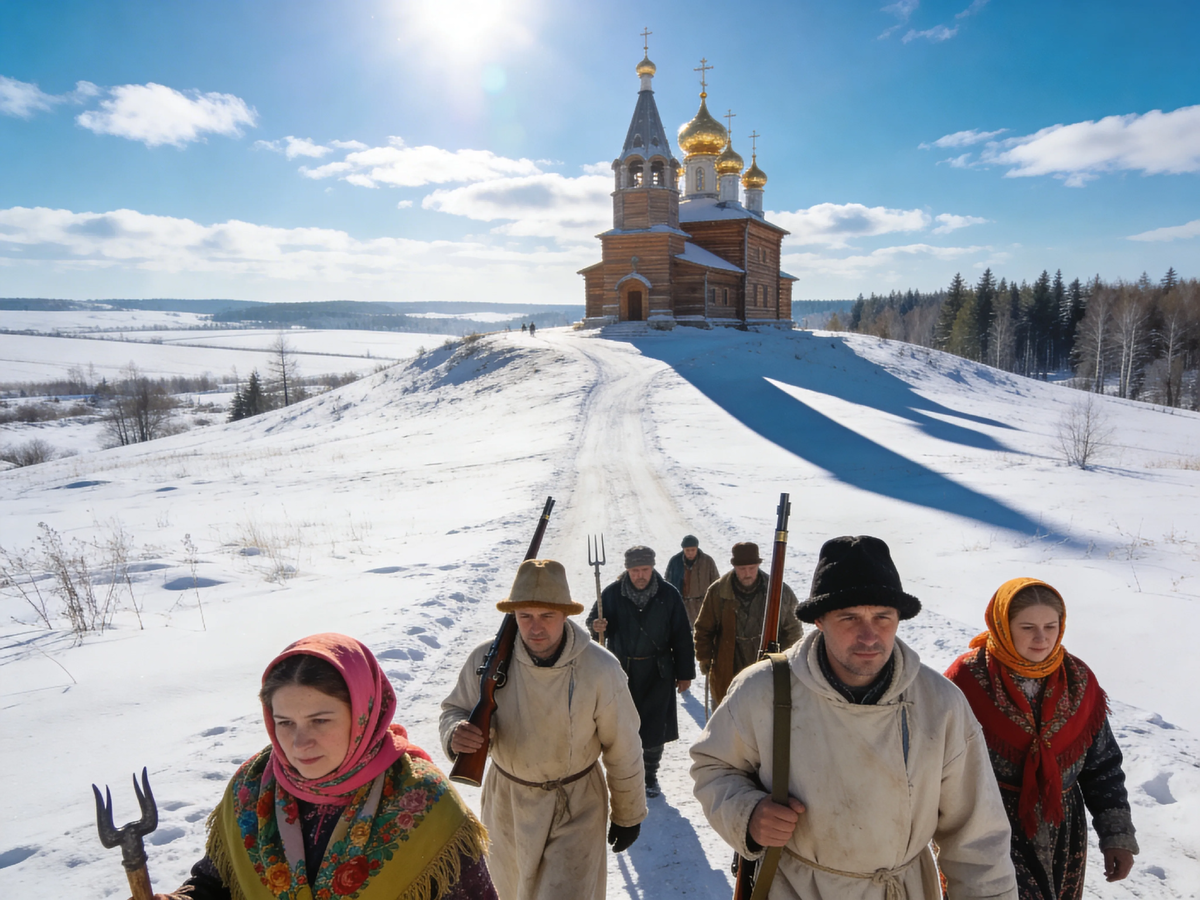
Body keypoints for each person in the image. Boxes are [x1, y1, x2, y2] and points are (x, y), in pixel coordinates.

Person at [691, 535, 1019, 900]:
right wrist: (748, 815)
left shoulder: (939, 703)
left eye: (883, 617)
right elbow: (713, 767)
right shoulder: (762, 690)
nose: (869, 635)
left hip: (903, 891)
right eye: (849, 617)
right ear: (820, 619)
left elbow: (978, 839)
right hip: (797, 889)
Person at [139, 633, 495, 900]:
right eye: (285, 722)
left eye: (320, 720)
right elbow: (217, 884)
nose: (299, 743)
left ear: (363, 715)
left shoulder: (422, 802)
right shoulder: (252, 789)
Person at [441, 559, 646, 900]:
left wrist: (629, 814)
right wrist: (455, 733)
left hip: (576, 805)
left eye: (546, 616)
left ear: (565, 614)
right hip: (507, 805)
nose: (535, 627)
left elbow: (623, 747)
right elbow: (454, 709)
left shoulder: (600, 668)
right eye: (525, 616)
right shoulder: (486, 660)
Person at [944, 578, 1138, 899]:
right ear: (1002, 626)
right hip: (988, 825)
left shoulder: (1078, 679)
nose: (1041, 638)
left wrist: (1116, 836)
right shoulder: (966, 680)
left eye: (1051, 626)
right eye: (1027, 627)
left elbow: (1102, 767)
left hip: (1063, 827)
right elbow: (937, 764)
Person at [588, 545, 696, 797]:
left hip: (659, 671)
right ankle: (624, 773)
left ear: (652, 568)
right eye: (635, 570)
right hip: (622, 672)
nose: (640, 575)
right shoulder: (613, 593)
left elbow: (682, 635)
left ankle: (649, 776)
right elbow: (595, 622)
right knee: (621, 727)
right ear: (627, 570)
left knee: (654, 728)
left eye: (644, 569)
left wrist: (685, 673)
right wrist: (596, 625)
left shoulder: (668, 594)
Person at [693, 541, 803, 707]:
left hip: (768, 669)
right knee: (726, 722)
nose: (747, 573)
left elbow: (793, 631)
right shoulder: (718, 592)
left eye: (752, 568)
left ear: (758, 565)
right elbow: (703, 629)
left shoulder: (779, 591)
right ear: (734, 567)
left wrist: (788, 662)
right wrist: (704, 658)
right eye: (742, 569)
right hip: (728, 666)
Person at [664, 534, 721, 627]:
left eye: (693, 550)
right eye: (687, 550)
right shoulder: (675, 561)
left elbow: (716, 583)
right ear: (683, 549)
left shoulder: (707, 561)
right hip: (682, 605)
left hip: (702, 605)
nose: (690, 553)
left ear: (697, 548)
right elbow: (667, 583)